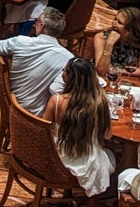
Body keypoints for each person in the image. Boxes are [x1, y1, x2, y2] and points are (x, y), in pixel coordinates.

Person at [43, 58, 114, 199]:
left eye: (64, 71)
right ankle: (104, 202)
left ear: (70, 78)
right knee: (113, 156)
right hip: (86, 163)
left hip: (57, 158)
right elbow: (108, 135)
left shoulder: (56, 101)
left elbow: (42, 131)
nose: (62, 73)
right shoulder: (100, 103)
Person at [0, 8, 73, 115]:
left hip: (12, 103)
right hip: (37, 114)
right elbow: (56, 90)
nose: (34, 25)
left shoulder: (21, 41)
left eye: (36, 22)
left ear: (42, 26)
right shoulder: (68, 58)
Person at [95, 7, 140, 81]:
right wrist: (109, 45)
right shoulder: (101, 37)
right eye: (115, 19)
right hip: (101, 79)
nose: (114, 23)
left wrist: (115, 71)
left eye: (119, 23)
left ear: (131, 29)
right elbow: (102, 70)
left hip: (125, 80)